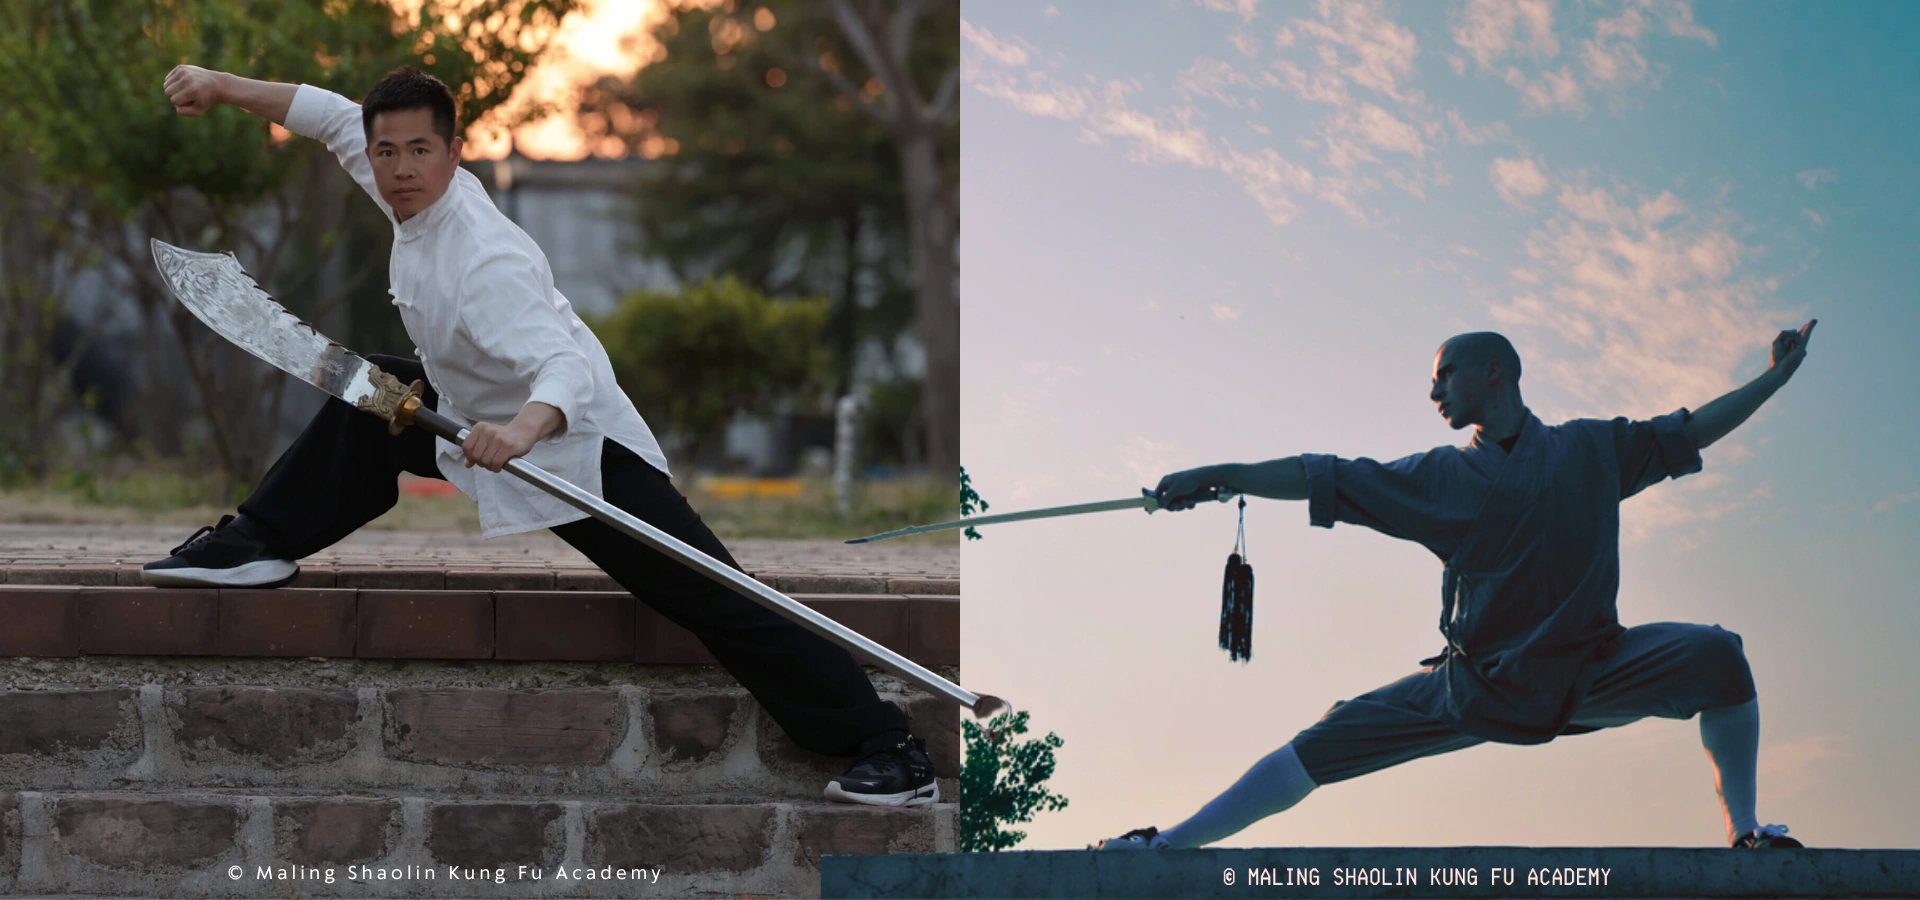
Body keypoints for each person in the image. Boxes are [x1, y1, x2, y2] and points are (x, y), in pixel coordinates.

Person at [149, 64, 936, 807]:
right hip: (468, 414)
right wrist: (221, 86)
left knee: (713, 595)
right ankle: (254, 541)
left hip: (578, 453)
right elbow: (323, 114)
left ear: (454, 153)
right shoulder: (401, 183)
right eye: (385, 150)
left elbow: (565, 368)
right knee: (374, 402)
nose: (397, 167)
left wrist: (522, 430)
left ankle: (887, 746)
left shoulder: (484, 260)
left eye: (420, 150)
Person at [1102, 325, 1816, 851]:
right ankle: (1165, 848)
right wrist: (1218, 474)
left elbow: (1691, 430)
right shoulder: (1437, 477)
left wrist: (1775, 378)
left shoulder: (1594, 450)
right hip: (1477, 685)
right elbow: (1326, 475)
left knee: (1719, 656)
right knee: (1328, 737)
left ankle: (1746, 834)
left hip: (1593, 668)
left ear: (1495, 374)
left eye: (1445, 374)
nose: (1434, 390)